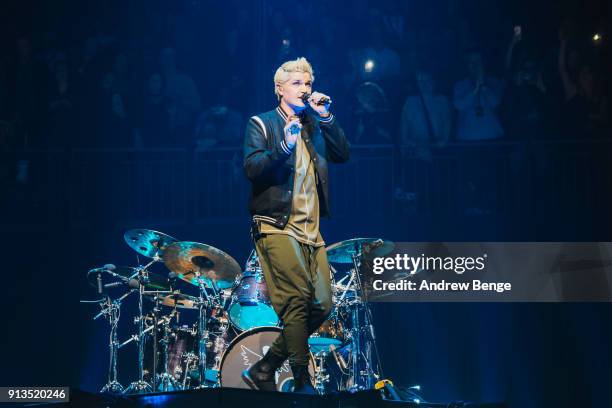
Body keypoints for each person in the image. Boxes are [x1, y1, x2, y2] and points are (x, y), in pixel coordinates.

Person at [242, 57, 350, 394]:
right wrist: (284, 145)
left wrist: (327, 117)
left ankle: (265, 367)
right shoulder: (261, 123)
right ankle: (303, 381)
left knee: (322, 304)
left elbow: (342, 154)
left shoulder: (314, 125)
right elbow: (252, 168)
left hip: (311, 231)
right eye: (297, 84)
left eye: (307, 83)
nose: (305, 89)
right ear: (279, 89)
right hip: (276, 225)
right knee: (296, 300)